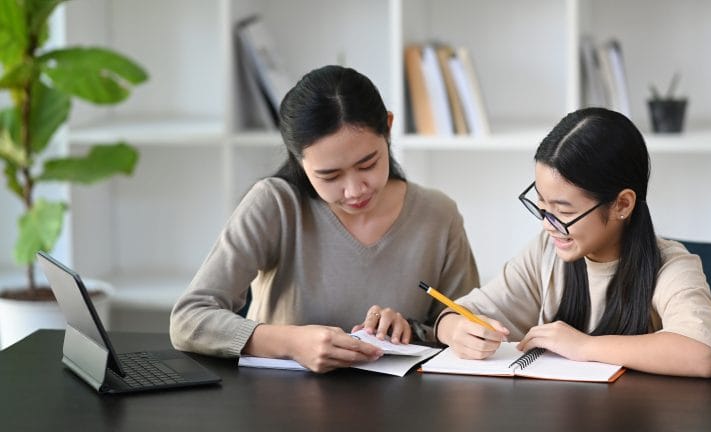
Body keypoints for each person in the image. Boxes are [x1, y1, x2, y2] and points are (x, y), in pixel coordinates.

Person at [170, 65, 479, 373]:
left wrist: (412, 331)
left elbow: (464, 328)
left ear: (388, 127)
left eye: (368, 164)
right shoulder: (276, 204)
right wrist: (291, 342)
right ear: (298, 160)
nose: (355, 190)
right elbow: (189, 319)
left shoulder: (438, 215)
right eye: (329, 175)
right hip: (280, 405)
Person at [434, 107, 711, 378]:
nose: (548, 225)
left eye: (563, 211)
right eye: (541, 206)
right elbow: (461, 312)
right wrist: (454, 330)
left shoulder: (669, 265)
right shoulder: (545, 251)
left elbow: (704, 354)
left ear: (622, 204)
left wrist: (585, 346)